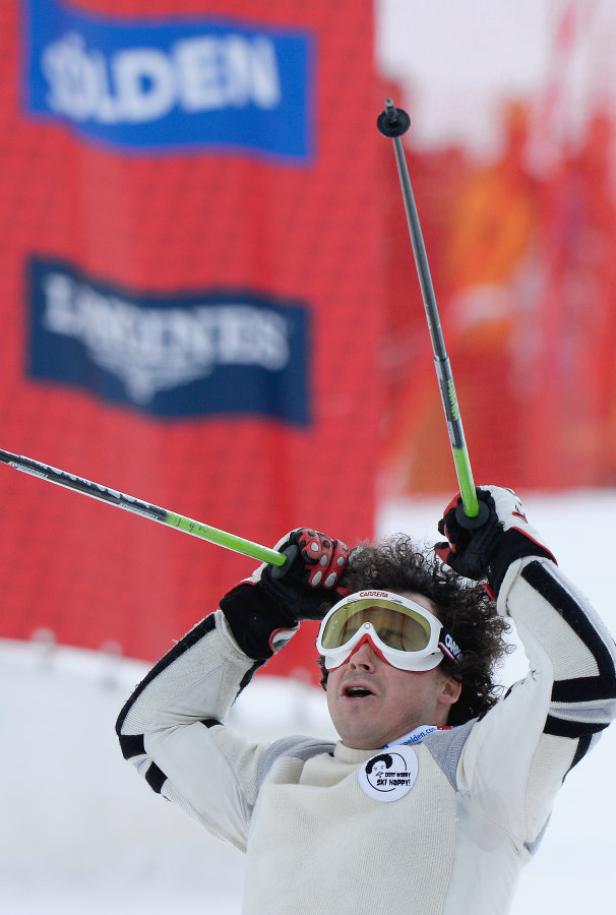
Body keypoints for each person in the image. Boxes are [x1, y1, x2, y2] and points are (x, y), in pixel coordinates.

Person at [116, 486, 616, 915]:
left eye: (398, 636)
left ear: (449, 682)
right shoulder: (280, 775)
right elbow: (152, 731)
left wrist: (507, 555)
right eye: (346, 632)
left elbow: (586, 680)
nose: (361, 655)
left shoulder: (481, 771)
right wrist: (262, 608)